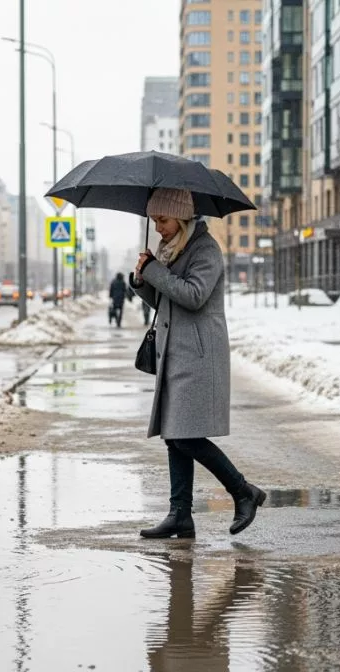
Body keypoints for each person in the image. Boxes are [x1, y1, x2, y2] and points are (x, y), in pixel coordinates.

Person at [130, 187, 266, 538]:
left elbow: (193, 295)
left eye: (163, 220)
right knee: (174, 437)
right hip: (174, 352)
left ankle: (243, 491)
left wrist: (157, 271)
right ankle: (180, 514)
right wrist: (142, 278)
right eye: (155, 220)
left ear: (181, 217)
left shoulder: (205, 249)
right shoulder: (171, 249)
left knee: (186, 436)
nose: (158, 227)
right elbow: (164, 300)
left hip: (198, 354)